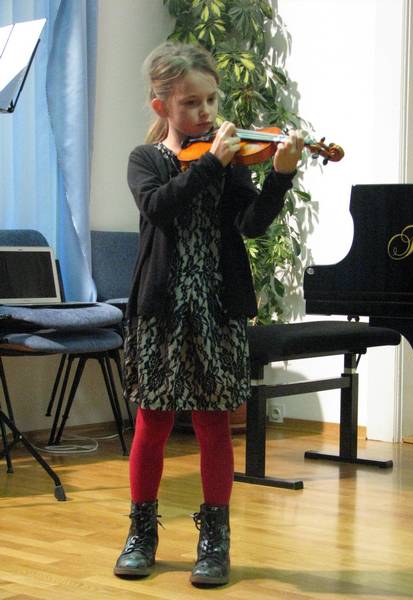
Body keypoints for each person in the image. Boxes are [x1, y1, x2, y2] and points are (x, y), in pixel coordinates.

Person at [114, 41, 304, 587]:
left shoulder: (230, 159)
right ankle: (141, 532)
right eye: (191, 103)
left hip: (217, 307)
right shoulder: (145, 160)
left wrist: (281, 176)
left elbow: (252, 224)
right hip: (161, 310)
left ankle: (215, 538)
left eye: (211, 101)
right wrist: (211, 163)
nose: (205, 113)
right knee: (152, 422)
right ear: (161, 106)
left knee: (214, 423)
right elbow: (160, 207)